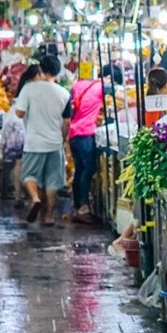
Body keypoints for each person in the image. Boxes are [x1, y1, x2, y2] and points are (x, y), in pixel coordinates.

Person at [12, 54, 72, 226]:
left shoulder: (29, 89)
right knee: (53, 180)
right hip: (54, 142)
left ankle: (36, 198)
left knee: (29, 175)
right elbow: (67, 121)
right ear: (58, 71)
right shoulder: (64, 93)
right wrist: (62, 139)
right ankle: (49, 216)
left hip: (34, 142)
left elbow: (19, 113)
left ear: (41, 68)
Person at [66, 66, 105, 224]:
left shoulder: (78, 85)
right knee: (87, 170)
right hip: (87, 133)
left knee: (79, 170)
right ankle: (83, 208)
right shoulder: (101, 87)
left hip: (74, 132)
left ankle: (77, 205)